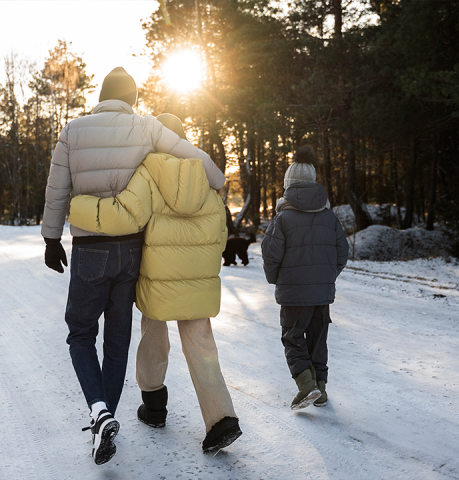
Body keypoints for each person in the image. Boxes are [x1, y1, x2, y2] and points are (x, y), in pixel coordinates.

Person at [41, 70, 225, 465]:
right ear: (132, 99)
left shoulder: (73, 130)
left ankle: (99, 411)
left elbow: (57, 188)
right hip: (131, 250)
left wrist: (51, 237)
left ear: (101, 96)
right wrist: (217, 180)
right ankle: (105, 417)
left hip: (90, 247)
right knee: (118, 338)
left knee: (80, 333)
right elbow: (196, 158)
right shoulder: (145, 127)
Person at [68, 113, 241, 453]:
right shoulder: (204, 176)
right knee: (202, 346)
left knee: (153, 336)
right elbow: (221, 234)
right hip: (197, 279)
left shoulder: (149, 172)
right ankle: (222, 420)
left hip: (156, 277)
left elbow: (125, 215)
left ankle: (154, 406)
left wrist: (79, 207)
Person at [260, 146, 348, 410]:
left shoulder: (282, 218)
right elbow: (342, 253)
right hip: (322, 293)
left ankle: (306, 386)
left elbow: (270, 255)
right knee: (318, 339)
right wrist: (325, 277)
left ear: (288, 185)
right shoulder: (330, 217)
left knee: (293, 337)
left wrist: (278, 279)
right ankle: (320, 389)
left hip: (294, 294)